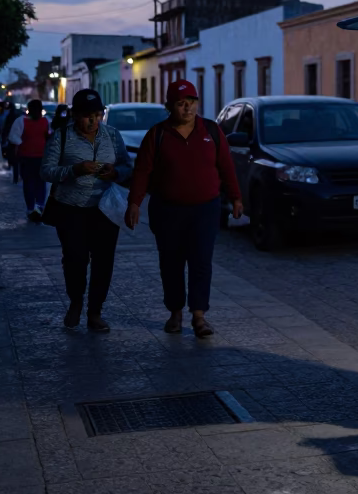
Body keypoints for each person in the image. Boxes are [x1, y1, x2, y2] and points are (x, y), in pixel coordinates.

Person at [125, 80, 242, 338]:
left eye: (192, 101)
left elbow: (226, 167)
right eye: (181, 103)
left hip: (205, 210)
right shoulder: (157, 135)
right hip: (168, 211)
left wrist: (235, 198)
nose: (187, 107)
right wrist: (134, 203)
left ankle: (199, 316)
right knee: (171, 263)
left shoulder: (211, 131)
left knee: (201, 261)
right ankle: (175, 313)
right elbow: (142, 171)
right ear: (170, 107)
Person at [41, 89, 132, 332]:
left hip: (104, 209)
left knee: (104, 262)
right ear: (74, 115)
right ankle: (75, 302)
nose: (93, 121)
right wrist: (75, 170)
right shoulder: (61, 137)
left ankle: (95, 312)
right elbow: (46, 171)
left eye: (97, 114)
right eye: (87, 116)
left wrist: (115, 173)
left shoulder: (112, 135)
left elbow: (126, 167)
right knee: (75, 259)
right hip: (70, 209)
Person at [9, 99, 51, 222]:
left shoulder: (46, 121)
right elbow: (13, 138)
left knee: (39, 182)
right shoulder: (21, 121)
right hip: (26, 157)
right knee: (30, 183)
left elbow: (49, 136)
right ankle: (31, 208)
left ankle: (38, 206)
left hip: (41, 157)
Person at [1, 101, 23, 183]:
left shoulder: (10, 116)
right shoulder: (18, 116)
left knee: (15, 159)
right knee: (18, 160)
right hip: (17, 140)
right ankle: (18, 176)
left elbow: (6, 128)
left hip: (13, 139)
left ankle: (16, 177)